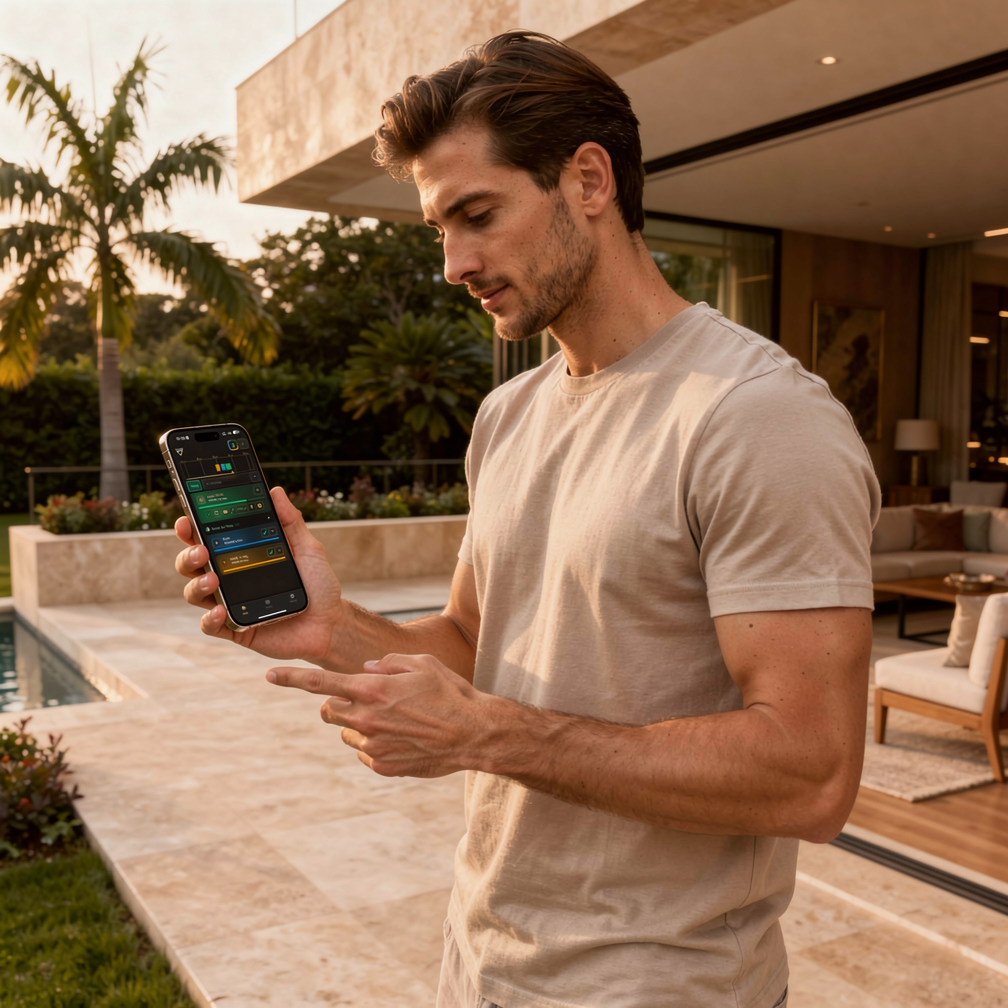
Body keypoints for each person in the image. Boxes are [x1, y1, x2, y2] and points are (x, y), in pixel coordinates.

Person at [174, 31, 879, 1008]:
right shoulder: (510, 413)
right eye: (438, 228)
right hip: (487, 963)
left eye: (478, 214)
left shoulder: (755, 417)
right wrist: (331, 629)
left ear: (589, 181)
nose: (455, 262)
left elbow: (812, 774)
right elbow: (474, 642)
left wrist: (492, 739)